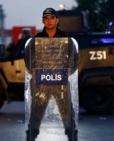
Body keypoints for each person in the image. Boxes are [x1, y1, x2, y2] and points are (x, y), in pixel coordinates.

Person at [25, 7, 78, 141]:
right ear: (43, 21)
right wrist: (37, 73)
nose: (49, 21)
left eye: (52, 18)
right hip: (40, 82)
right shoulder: (35, 41)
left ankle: (72, 136)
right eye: (46, 18)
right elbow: (28, 60)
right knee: (36, 114)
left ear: (57, 20)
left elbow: (74, 59)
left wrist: (66, 72)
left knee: (67, 113)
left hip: (60, 81)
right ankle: (31, 137)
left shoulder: (67, 40)